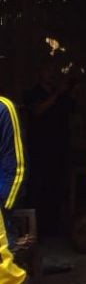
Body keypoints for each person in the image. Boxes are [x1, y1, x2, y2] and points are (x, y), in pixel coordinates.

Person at [22, 61, 75, 236]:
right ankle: (38, 232)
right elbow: (37, 111)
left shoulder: (62, 96)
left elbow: (72, 113)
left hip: (59, 149)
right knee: (38, 189)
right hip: (39, 150)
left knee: (58, 189)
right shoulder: (32, 94)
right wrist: (56, 95)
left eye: (53, 70)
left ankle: (55, 229)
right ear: (39, 73)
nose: (51, 74)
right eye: (47, 70)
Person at [0, 95, 27, 284]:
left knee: (6, 273)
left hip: (0, 211)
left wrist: (5, 206)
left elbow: (16, 165)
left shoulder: (3, 108)